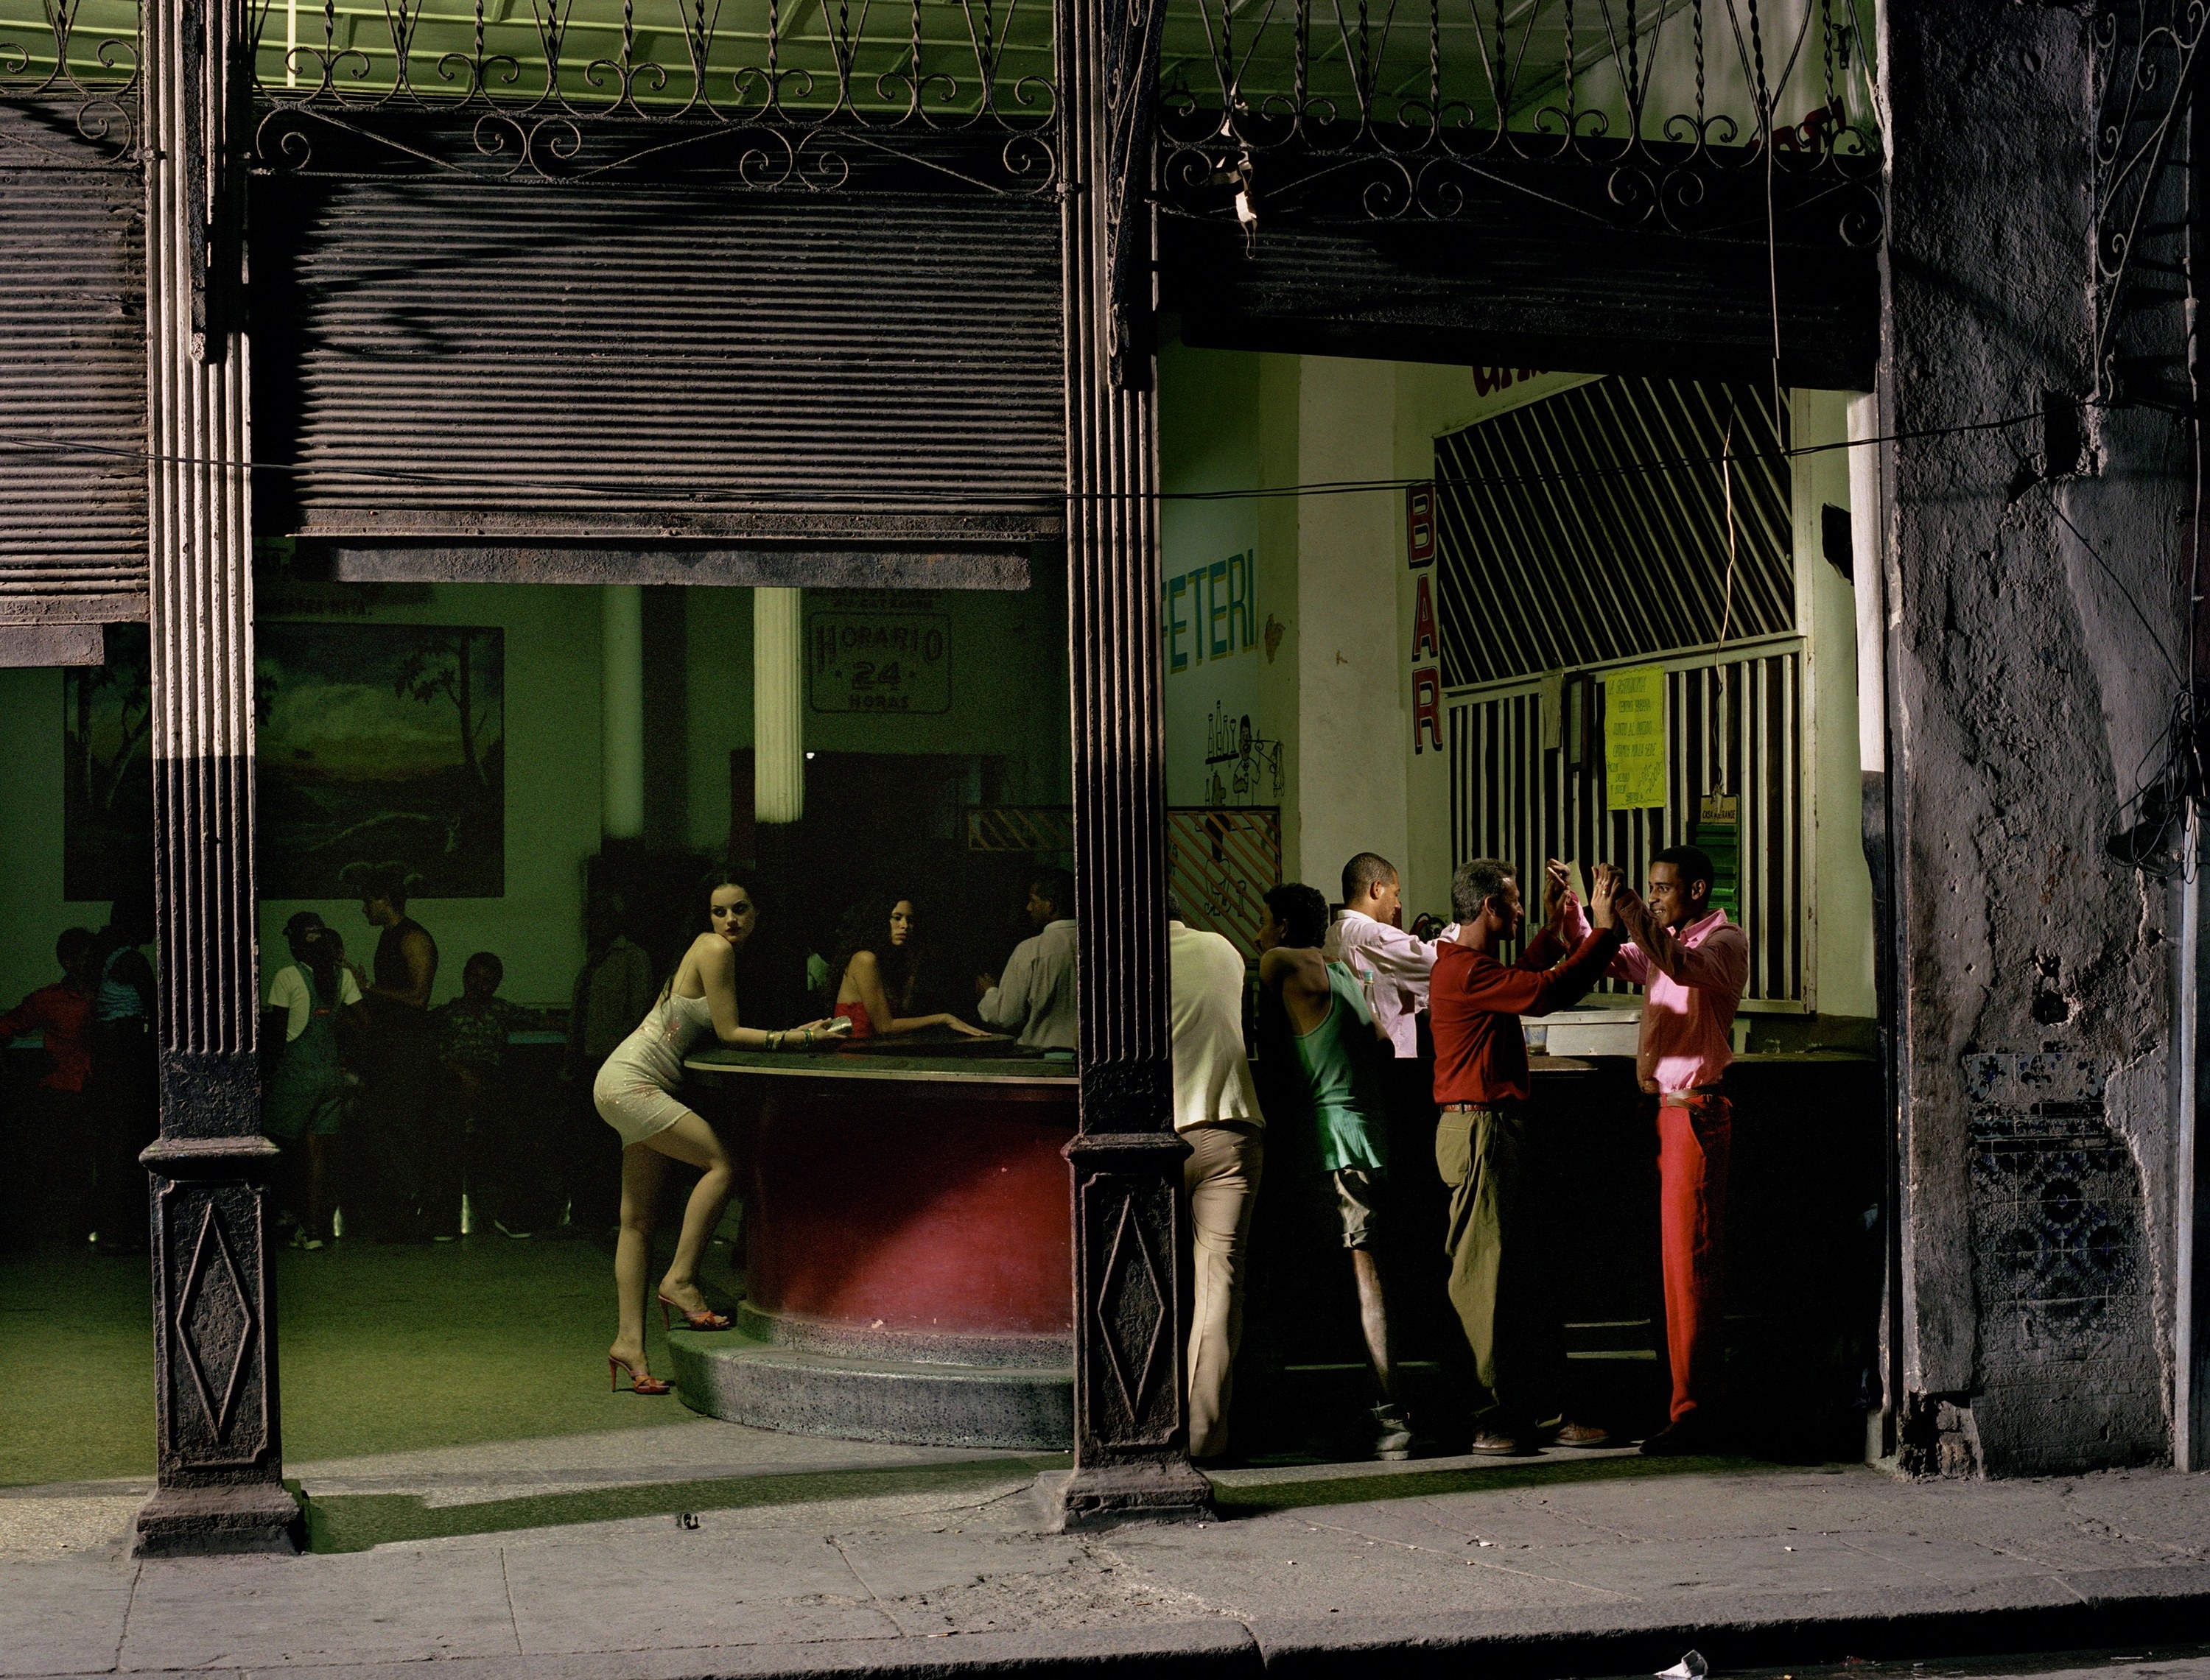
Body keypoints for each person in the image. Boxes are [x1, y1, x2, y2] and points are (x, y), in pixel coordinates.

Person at [594, 878, 852, 1394]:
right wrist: (805, 1038)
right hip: (633, 1083)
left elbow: (727, 1029)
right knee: (724, 1165)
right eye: (718, 911)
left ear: (757, 913)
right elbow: (732, 1032)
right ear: (707, 917)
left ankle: (628, 1343)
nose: (729, 920)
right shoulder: (713, 948)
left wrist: (800, 1028)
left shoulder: (708, 950)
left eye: (739, 909)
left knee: (637, 1220)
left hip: (620, 1082)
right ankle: (681, 1280)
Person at [1428, 857, 1626, 1455]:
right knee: (1483, 1281)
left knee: (1520, 1278)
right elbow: (1543, 992)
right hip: (1480, 1132)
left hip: (1493, 1129)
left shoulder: (1470, 967)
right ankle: (1489, 1413)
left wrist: (1547, 928)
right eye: (1513, 904)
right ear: (1489, 907)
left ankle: (1539, 1408)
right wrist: (1606, 933)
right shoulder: (1464, 972)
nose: (1517, 910)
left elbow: (1521, 974)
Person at [1557, 847, 1747, 1455]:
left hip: (1694, 1114)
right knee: (1668, 1269)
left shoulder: (1722, 942)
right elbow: (1614, 957)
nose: (1656, 896)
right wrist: (1578, 912)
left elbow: (1678, 965)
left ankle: (1696, 1412)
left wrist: (1631, 911)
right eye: (1649, 888)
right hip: (1661, 1115)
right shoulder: (1665, 937)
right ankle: (1680, 1400)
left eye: (1663, 888)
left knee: (1690, 1269)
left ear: (1696, 888)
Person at [1257, 881, 1413, 1461]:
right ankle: (1382, 1408)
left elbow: (1271, 1054)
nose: (1258, 933)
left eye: (1264, 920)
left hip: (1326, 1140)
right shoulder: (1345, 969)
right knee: (1364, 1269)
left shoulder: (1276, 963)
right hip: (1368, 1136)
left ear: (1282, 927)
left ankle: (1388, 1410)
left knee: (1343, 1276)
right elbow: (1381, 1044)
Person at [1168, 893, 1264, 1462]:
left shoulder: (1122, 962)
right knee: (1219, 1284)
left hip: (1159, 1139)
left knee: (1148, 1280)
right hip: (1234, 1127)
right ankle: (1205, 1437)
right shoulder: (1224, 948)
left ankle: (1142, 1422)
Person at [262, 912, 364, 1249]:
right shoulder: (342, 977)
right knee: (318, 1153)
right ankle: (314, 1228)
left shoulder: (287, 976)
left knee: (274, 1148)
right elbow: (363, 1022)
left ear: (294, 941)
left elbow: (277, 1034)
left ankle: (283, 1219)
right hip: (331, 1075)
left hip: (297, 1075)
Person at [564, 891, 658, 1236]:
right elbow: (581, 1016)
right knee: (584, 1141)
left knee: (609, 1143)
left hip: (613, 1060)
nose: (595, 924)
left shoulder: (633, 958)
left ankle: (609, 1215)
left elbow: (639, 1013)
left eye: (603, 917)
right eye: (592, 918)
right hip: (585, 1061)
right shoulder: (594, 960)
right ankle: (585, 1214)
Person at [357, 864, 439, 1240]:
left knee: (404, 1128)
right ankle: (398, 1214)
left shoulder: (412, 937)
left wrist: (369, 989)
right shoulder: (393, 937)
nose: (364, 909)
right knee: (387, 1129)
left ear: (384, 900)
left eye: (367, 901)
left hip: (407, 1049)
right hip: (390, 1048)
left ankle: (417, 1214)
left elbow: (418, 997)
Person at [0, 927, 97, 1244]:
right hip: (64, 1093)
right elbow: (9, 1023)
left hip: (88, 1092)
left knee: (83, 1165)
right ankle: (59, 1231)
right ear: (69, 962)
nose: (92, 963)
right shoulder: (52, 1000)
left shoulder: (100, 994)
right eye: (86, 957)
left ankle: (72, 1230)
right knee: (64, 1164)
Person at [431, 952, 530, 1241]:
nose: (479, 985)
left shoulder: (500, 1010)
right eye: (474, 977)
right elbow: (437, 1052)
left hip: (491, 1082)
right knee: (447, 1147)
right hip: (453, 1082)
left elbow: (539, 1019)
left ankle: (506, 1215)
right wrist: (461, 1073)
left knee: (506, 1144)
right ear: (465, 977)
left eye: (487, 980)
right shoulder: (448, 1013)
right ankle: (444, 1221)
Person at [85, 890, 157, 1257]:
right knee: (125, 1143)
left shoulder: (108, 956)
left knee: (115, 1142)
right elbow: (158, 1008)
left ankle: (113, 1227)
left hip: (111, 1058)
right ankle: (120, 1228)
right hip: (126, 1057)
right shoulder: (131, 960)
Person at [828, 895, 988, 1041]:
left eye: (909, 920)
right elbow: (885, 1027)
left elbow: (903, 1014)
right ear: (880, 921)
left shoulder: (890, 964)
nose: (905, 925)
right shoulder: (864, 959)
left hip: (878, 1054)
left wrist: (913, 969)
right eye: (897, 918)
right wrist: (945, 1018)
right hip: (853, 1057)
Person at [976, 867, 1078, 1051]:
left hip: (1042, 1058)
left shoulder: (1030, 950)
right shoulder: (1103, 946)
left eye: (1033, 901)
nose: (1028, 907)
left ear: (1050, 905)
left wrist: (989, 993)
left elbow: (1006, 1017)